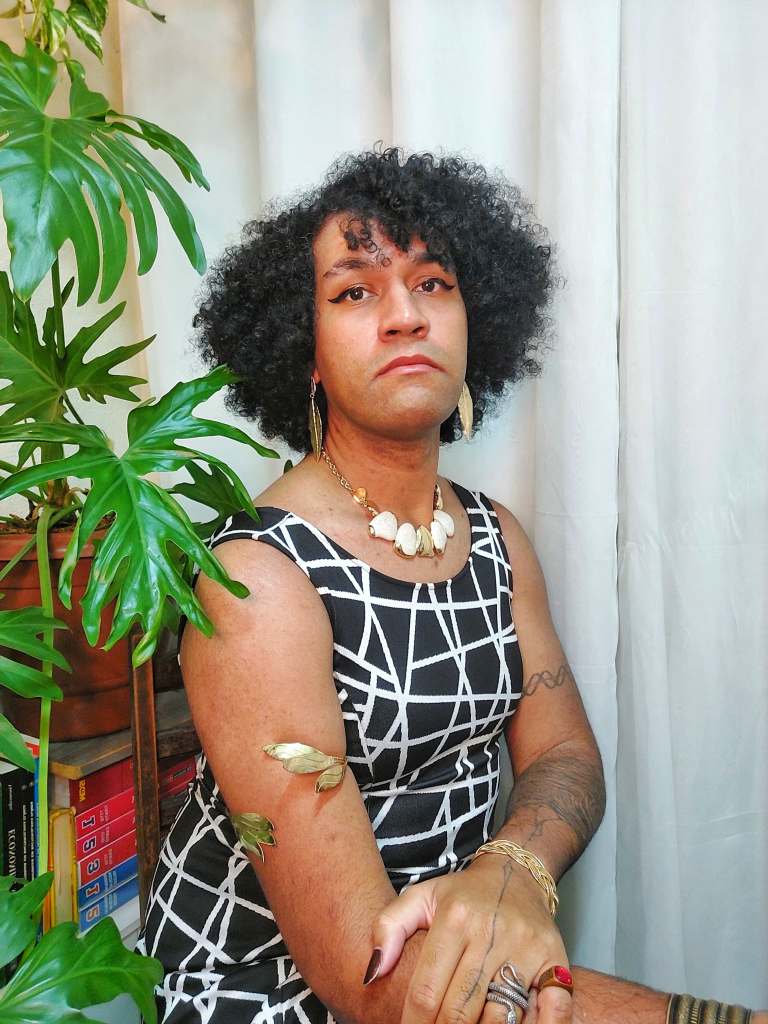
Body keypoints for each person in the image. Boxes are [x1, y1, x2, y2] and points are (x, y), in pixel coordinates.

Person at [135, 146, 763, 1024]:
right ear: (304, 352)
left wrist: (515, 867)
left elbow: (563, 753)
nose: (404, 315)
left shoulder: (496, 537)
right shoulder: (257, 577)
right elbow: (359, 966)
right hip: (276, 990)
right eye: (354, 293)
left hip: (465, 960)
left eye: (432, 283)